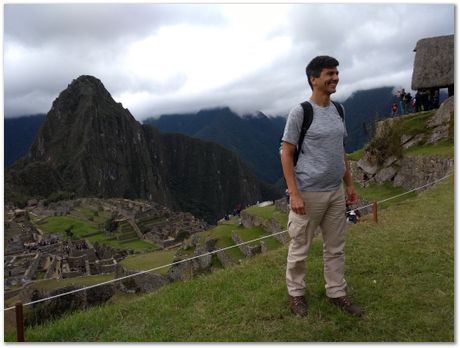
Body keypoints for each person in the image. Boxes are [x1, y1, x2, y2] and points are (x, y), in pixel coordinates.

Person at [280, 55, 362, 318]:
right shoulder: (301, 112)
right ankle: (296, 295)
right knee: (300, 248)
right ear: (314, 79)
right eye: (329, 74)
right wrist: (294, 193)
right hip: (308, 192)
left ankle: (337, 292)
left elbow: (341, 151)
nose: (335, 78)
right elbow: (287, 153)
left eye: (336, 73)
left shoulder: (339, 110)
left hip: (335, 191)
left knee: (336, 247)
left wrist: (349, 185)